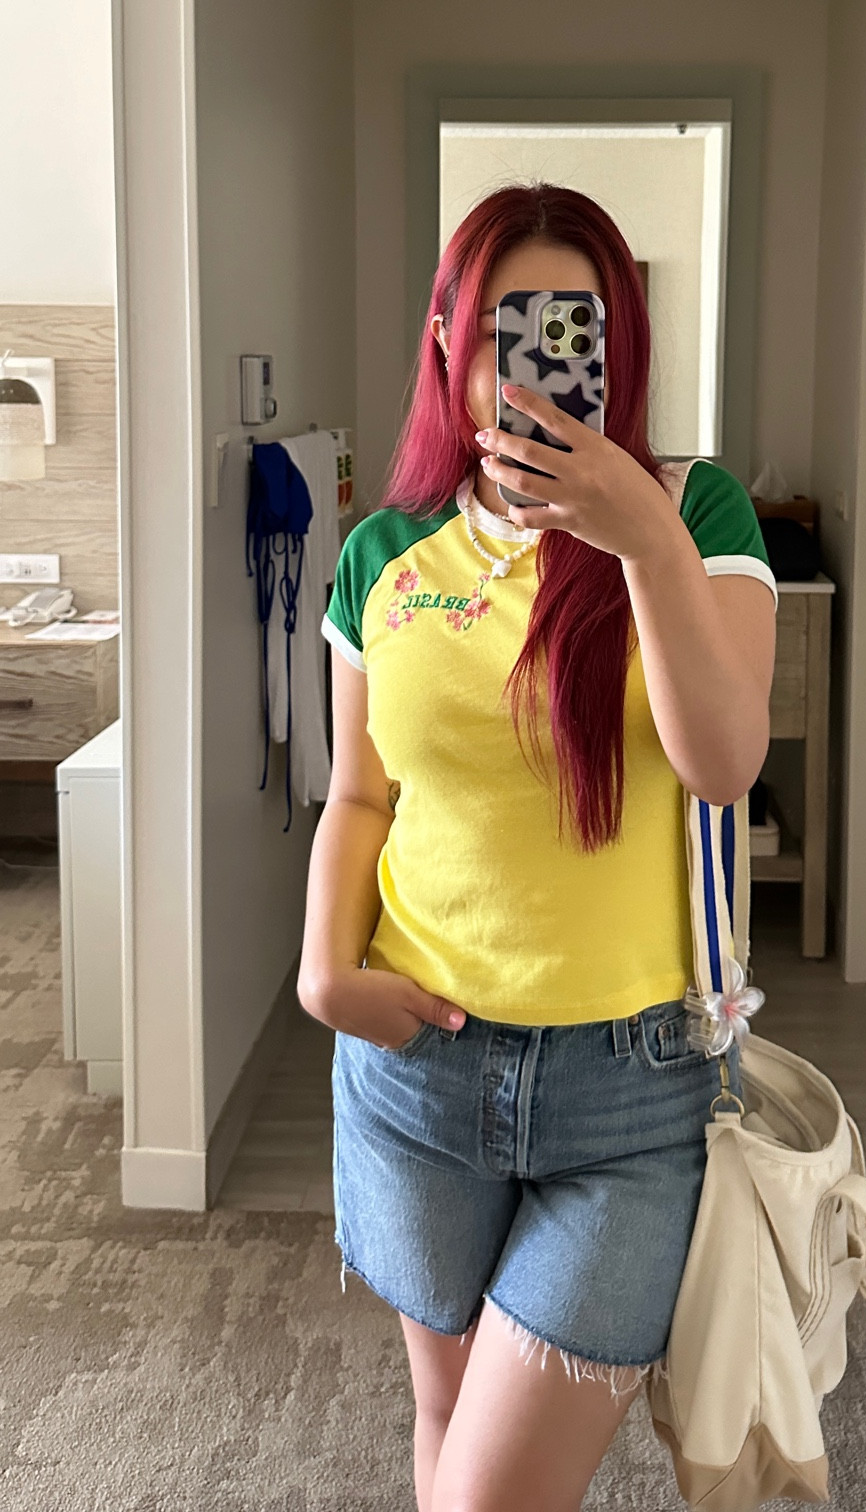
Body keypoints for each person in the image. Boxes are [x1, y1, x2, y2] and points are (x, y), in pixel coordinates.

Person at [298, 183, 776, 1512]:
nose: (542, 359)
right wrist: (323, 972)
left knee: (485, 1496)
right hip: (414, 1073)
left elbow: (723, 764)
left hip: (630, 1092)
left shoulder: (698, 514)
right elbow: (361, 796)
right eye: (510, 324)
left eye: (578, 325)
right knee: (444, 1421)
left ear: (620, 345)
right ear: (450, 338)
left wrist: (641, 539)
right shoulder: (384, 553)